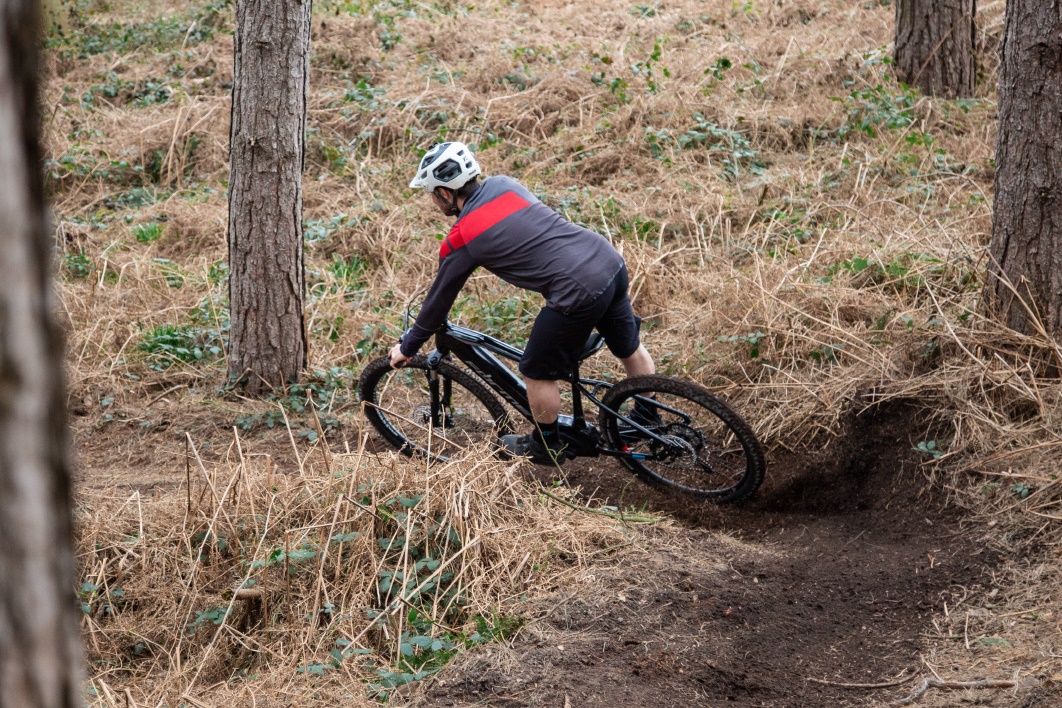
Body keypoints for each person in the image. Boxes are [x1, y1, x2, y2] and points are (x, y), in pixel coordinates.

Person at [390, 141, 655, 464]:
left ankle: (546, 446)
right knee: (628, 348)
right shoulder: (505, 185)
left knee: (535, 371)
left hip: (576, 290)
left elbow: (439, 297)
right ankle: (648, 414)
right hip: (607, 260)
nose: (433, 200)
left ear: (445, 194)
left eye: (432, 193)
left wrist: (409, 345)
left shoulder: (462, 236)